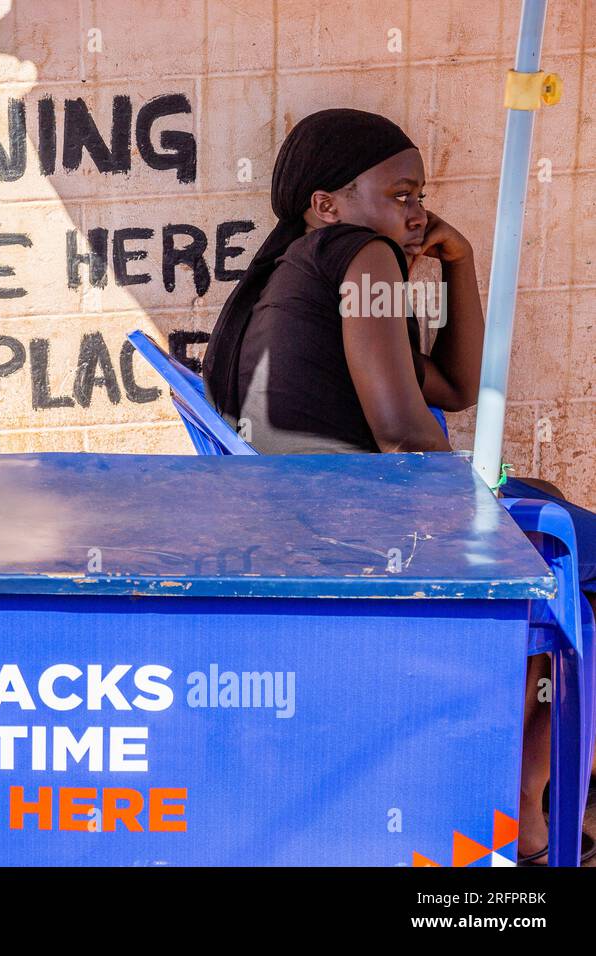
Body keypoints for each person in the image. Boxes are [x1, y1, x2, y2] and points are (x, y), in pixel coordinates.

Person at [201, 107, 596, 865]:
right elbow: (401, 434)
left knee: (554, 513)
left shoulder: (304, 269)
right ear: (328, 203)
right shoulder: (361, 255)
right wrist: (491, 504)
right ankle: (530, 801)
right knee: (591, 567)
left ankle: (533, 791)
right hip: (367, 532)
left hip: (326, 522)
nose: (418, 213)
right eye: (403, 194)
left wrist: (463, 260)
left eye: (421, 196)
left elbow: (449, 386)